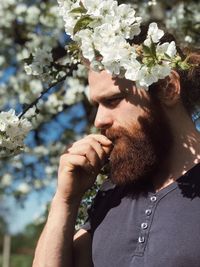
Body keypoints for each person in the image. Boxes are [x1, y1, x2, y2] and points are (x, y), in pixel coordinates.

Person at [32, 46, 200, 266]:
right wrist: (65, 200)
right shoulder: (113, 192)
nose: (99, 120)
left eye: (113, 100)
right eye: (97, 105)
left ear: (169, 87)